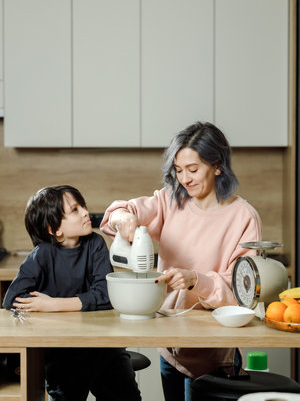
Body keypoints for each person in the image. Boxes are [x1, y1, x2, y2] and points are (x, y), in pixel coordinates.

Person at [100, 121, 262, 401]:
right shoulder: (170, 201)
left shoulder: (243, 217)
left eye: (193, 169)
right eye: (178, 170)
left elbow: (242, 293)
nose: (184, 179)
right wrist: (123, 217)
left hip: (215, 356)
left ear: (218, 165)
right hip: (171, 349)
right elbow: (120, 211)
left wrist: (194, 280)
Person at [2, 185, 141, 401]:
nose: (85, 212)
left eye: (82, 206)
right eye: (75, 210)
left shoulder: (95, 244)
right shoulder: (42, 255)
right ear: (54, 229)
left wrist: (53, 304)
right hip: (61, 351)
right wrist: (46, 304)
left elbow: (105, 295)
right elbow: (12, 299)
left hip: (103, 347)